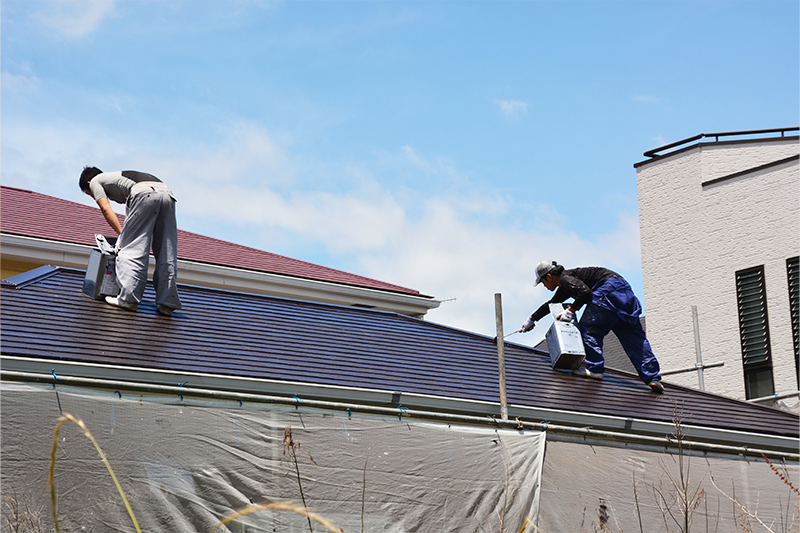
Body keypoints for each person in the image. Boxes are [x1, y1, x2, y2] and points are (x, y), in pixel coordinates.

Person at [521, 260, 663, 393]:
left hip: (608, 290)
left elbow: (585, 292)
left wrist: (570, 311)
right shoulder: (567, 283)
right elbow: (552, 304)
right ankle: (653, 378)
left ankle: (595, 369)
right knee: (634, 338)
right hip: (624, 292)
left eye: (542, 282)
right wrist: (532, 319)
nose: (544, 286)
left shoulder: (566, 278)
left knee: (588, 329)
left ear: (549, 276)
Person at [79, 167, 181, 316]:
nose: (93, 196)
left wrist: (123, 234)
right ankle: (167, 303)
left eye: (89, 193)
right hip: (167, 195)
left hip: (145, 193)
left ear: (88, 183)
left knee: (132, 247)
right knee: (167, 249)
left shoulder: (95, 181)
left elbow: (106, 209)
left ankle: (128, 299)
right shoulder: (116, 178)